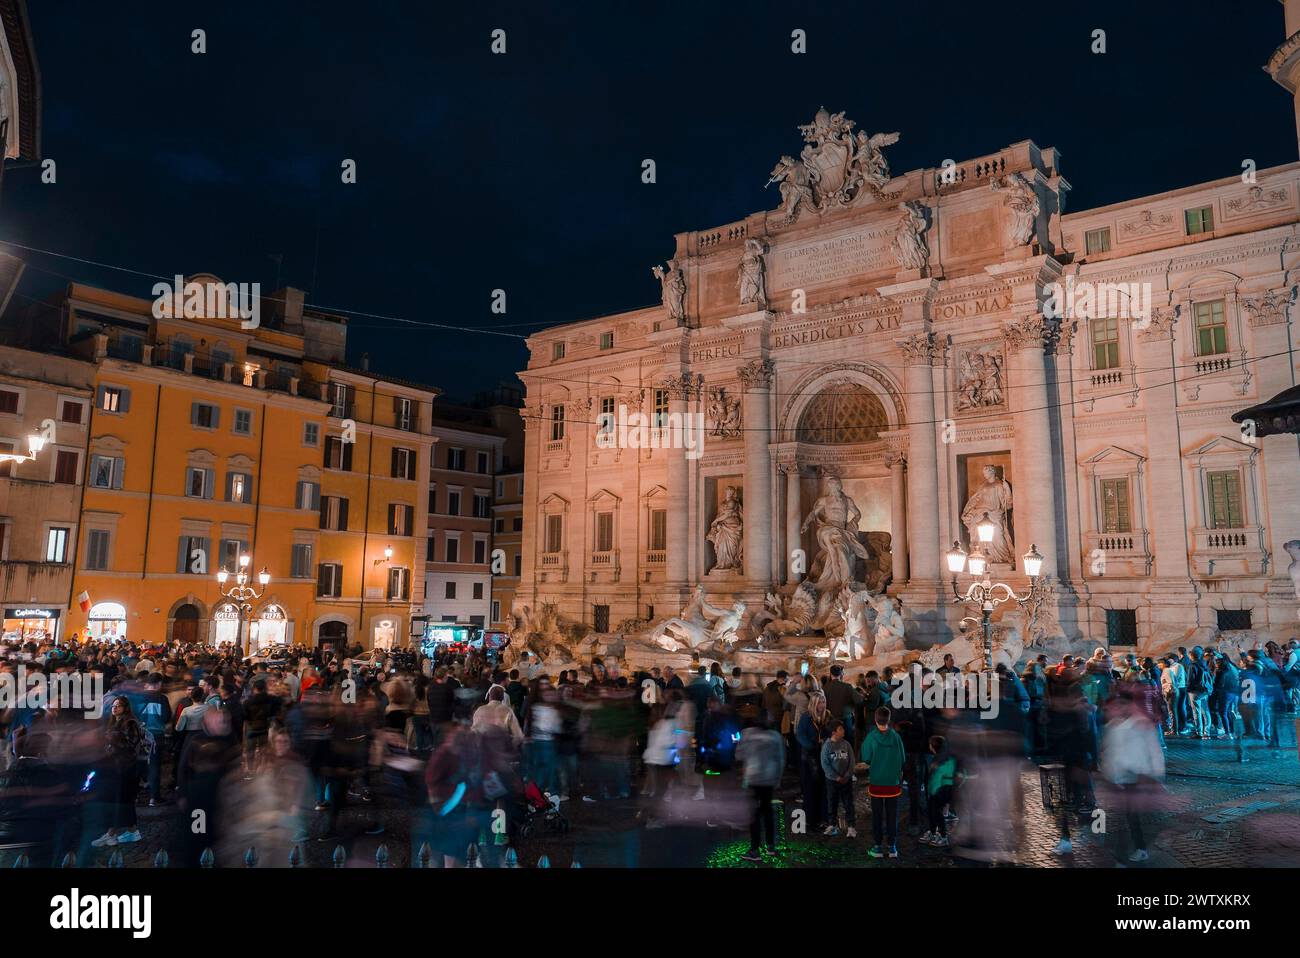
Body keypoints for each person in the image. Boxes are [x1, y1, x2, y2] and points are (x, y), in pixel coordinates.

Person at [1100, 695, 1165, 863]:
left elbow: (1153, 751)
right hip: (1120, 780)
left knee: (1132, 816)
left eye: (1115, 707)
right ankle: (1129, 852)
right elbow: (1111, 753)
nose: (1111, 711)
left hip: (1136, 778)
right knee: (1125, 817)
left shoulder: (1140, 724)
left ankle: (1138, 849)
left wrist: (1155, 775)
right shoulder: (1113, 726)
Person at [91, 696, 145, 848]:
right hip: (115, 767)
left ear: (125, 708)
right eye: (114, 706)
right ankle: (120, 832)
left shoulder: (130, 723)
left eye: (118, 706)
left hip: (125, 767)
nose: (114, 708)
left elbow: (131, 744)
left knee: (121, 799)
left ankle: (115, 833)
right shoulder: (114, 722)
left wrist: (112, 739)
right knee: (119, 799)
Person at [736, 715, 785, 862]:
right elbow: (781, 759)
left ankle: (754, 850)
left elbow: (738, 755)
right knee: (768, 812)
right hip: (769, 779)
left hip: (753, 778)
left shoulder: (747, 734)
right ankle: (771, 846)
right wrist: (778, 779)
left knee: (754, 815)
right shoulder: (775, 736)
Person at [860, 705, 905, 858]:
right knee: (892, 816)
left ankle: (878, 846)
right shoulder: (896, 737)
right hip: (892, 782)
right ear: (889, 719)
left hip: (877, 782)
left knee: (877, 815)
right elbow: (903, 758)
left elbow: (866, 757)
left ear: (875, 719)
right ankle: (892, 847)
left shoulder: (871, 737)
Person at [820, 720, 856, 838]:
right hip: (832, 781)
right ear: (834, 732)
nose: (844, 731)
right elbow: (825, 764)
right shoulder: (827, 746)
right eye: (841, 729)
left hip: (846, 780)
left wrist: (847, 775)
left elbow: (852, 762)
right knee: (832, 802)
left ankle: (851, 827)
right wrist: (836, 777)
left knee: (848, 803)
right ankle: (832, 825)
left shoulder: (847, 744)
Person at [920, 735, 957, 848]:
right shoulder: (948, 757)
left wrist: (932, 791)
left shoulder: (937, 760)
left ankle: (942, 836)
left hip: (938, 789)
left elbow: (936, 777)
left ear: (933, 747)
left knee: (936, 812)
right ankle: (933, 832)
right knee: (933, 812)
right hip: (947, 789)